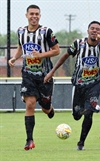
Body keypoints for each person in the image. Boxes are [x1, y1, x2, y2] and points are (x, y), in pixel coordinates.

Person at [44, 21, 100, 150]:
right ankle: (87, 108)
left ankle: (81, 143)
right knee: (76, 115)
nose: (94, 31)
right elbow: (65, 56)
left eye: (97, 29)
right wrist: (52, 72)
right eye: (92, 28)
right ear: (88, 30)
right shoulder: (78, 44)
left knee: (89, 113)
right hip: (79, 84)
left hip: (94, 84)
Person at [8, 4, 60, 150]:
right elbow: (21, 47)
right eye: (31, 14)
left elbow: (56, 51)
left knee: (45, 109)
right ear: (26, 15)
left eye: (37, 14)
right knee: (30, 103)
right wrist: (14, 58)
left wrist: (41, 55)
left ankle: (49, 108)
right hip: (28, 74)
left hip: (45, 76)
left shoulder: (46, 32)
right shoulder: (20, 32)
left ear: (40, 16)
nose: (34, 16)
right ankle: (29, 140)